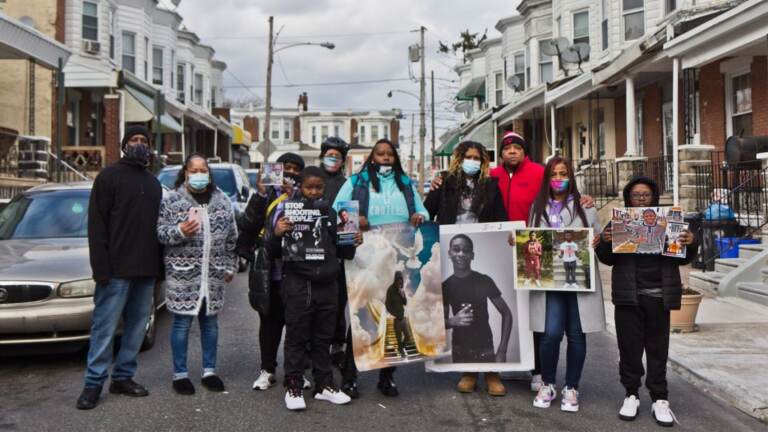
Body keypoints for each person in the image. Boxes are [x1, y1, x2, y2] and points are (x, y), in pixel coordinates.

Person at [596, 176, 697, 427]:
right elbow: (607, 259)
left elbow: (682, 258)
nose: (641, 199)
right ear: (628, 198)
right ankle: (631, 394)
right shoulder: (619, 221)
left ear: (654, 197)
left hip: (659, 296)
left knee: (657, 349)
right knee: (629, 349)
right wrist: (605, 243)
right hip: (628, 297)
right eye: (636, 195)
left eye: (646, 195)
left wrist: (690, 244)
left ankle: (659, 398)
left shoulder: (670, 221)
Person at [333, 138, 430, 398]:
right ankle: (350, 376)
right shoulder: (356, 182)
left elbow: (423, 212)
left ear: (395, 158)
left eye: (390, 154)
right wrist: (356, 219)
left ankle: (387, 377)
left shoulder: (405, 183)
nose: (385, 158)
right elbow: (337, 210)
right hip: (364, 254)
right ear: (372, 157)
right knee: (360, 312)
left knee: (394, 313)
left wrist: (418, 217)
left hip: (397, 254)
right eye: (380, 154)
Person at [76, 125, 163, 410]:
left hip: (146, 271)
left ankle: (123, 377)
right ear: (125, 145)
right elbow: (96, 225)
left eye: (144, 141)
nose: (139, 144)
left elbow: (159, 230)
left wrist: (159, 269)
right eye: (134, 140)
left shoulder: (153, 183)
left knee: (137, 329)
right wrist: (100, 268)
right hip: (114, 271)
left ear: (150, 147)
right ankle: (93, 384)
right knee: (104, 329)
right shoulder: (108, 177)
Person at [267, 166, 362, 411]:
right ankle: (294, 386)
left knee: (324, 337)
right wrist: (277, 233)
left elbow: (345, 253)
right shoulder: (287, 211)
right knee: (297, 337)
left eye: (318, 187)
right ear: (300, 187)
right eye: (309, 187)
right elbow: (272, 251)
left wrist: (352, 240)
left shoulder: (332, 213)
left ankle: (325, 385)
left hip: (328, 283)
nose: (313, 192)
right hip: (298, 282)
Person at [424, 140, 508, 395]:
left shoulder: (491, 185)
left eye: (477, 157)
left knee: (480, 310)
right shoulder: (446, 183)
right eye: (468, 157)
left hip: (480, 240)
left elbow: (502, 218)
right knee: (461, 307)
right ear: (459, 159)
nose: (473, 161)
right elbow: (427, 212)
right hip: (451, 242)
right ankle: (469, 372)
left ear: (483, 162)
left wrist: (508, 236)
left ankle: (493, 373)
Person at [527, 156, 605, 413]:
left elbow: (598, 237)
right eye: (554, 174)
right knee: (549, 334)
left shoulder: (586, 206)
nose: (559, 179)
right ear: (546, 179)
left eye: (563, 173)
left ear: (571, 177)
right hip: (550, 281)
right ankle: (548, 383)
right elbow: (530, 240)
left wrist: (597, 241)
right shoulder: (536, 208)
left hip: (578, 280)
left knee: (576, 334)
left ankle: (571, 387)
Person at [156, 153, 238, 395]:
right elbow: (160, 233)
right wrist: (180, 231)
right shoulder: (172, 201)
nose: (199, 174)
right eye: (194, 170)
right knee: (181, 324)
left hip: (212, 277)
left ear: (209, 173)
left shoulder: (222, 200)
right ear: (185, 173)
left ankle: (209, 371)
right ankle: (180, 374)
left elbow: (232, 237)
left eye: (204, 170)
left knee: (210, 324)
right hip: (184, 276)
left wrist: (230, 265)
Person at [236, 152, 306, 391]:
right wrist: (262, 193)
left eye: (297, 169)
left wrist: (296, 197)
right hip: (270, 270)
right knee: (269, 322)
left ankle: (297, 372)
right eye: (286, 167)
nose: (291, 173)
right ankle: (267, 369)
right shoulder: (267, 196)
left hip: (297, 271)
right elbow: (247, 224)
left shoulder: (305, 196)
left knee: (298, 324)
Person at [443, 234, 513, 393]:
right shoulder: (445, 286)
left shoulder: (484, 280)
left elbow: (507, 314)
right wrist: (453, 321)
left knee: (495, 385)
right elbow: (439, 323)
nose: (461, 254)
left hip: (485, 348)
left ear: (472, 256)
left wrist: (502, 351)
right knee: (465, 384)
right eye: (456, 250)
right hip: (461, 350)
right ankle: (469, 374)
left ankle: (491, 375)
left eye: (466, 250)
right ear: (449, 253)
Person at [319, 137, 353, 371]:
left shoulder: (347, 184)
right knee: (316, 301)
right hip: (311, 250)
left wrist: (348, 246)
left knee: (339, 299)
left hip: (337, 250)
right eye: (329, 154)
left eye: (337, 156)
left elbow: (349, 217)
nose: (333, 159)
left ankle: (338, 345)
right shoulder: (311, 180)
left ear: (343, 161)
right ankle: (315, 346)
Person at [385, 272, 409, 358]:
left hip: (403, 318)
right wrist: (394, 313)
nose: (400, 281)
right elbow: (387, 305)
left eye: (401, 279)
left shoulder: (401, 290)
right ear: (395, 279)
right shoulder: (390, 290)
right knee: (399, 338)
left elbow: (405, 303)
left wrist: (403, 295)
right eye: (398, 279)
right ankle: (401, 350)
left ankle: (401, 348)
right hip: (397, 320)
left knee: (408, 336)